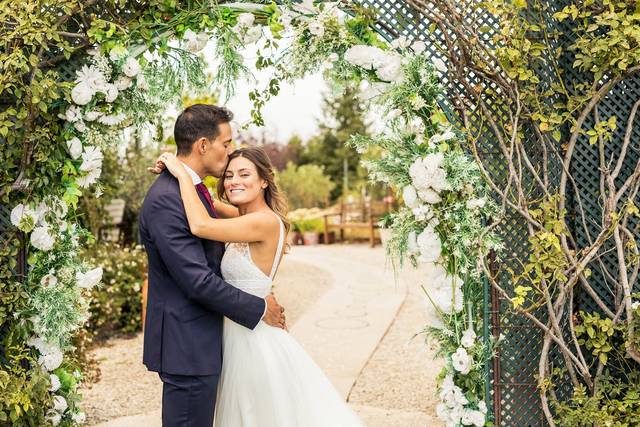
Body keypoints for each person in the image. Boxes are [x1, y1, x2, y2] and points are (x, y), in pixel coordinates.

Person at [154, 145, 364, 426]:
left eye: (244, 174)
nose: (234, 181)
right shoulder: (243, 217)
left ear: (264, 180)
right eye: (228, 175)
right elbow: (205, 200)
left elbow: (201, 225)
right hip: (237, 328)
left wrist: (179, 173)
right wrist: (181, 169)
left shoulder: (263, 222)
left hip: (252, 339)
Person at [139, 104, 286, 427]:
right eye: (226, 143)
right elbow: (198, 281)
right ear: (203, 145)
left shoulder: (193, 192)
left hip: (210, 342)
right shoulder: (169, 197)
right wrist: (259, 307)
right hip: (188, 346)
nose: (229, 152)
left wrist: (175, 166)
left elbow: (208, 222)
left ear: (264, 181)